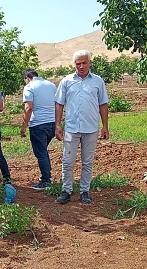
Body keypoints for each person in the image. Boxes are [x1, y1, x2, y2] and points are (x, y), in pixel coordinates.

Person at [54, 50, 109, 204]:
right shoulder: (66, 81)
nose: (81, 66)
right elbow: (59, 104)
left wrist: (105, 126)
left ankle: (84, 191)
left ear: (90, 63)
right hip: (71, 129)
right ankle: (66, 191)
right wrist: (57, 125)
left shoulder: (98, 81)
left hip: (91, 128)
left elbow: (103, 104)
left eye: (84, 62)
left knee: (87, 162)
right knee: (67, 161)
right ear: (74, 64)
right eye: (78, 63)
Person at [20, 68, 57, 190]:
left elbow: (28, 108)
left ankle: (46, 180)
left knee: (41, 153)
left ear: (27, 78)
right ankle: (46, 176)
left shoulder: (29, 87)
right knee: (43, 151)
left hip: (38, 124)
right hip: (52, 123)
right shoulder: (51, 85)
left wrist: (24, 126)